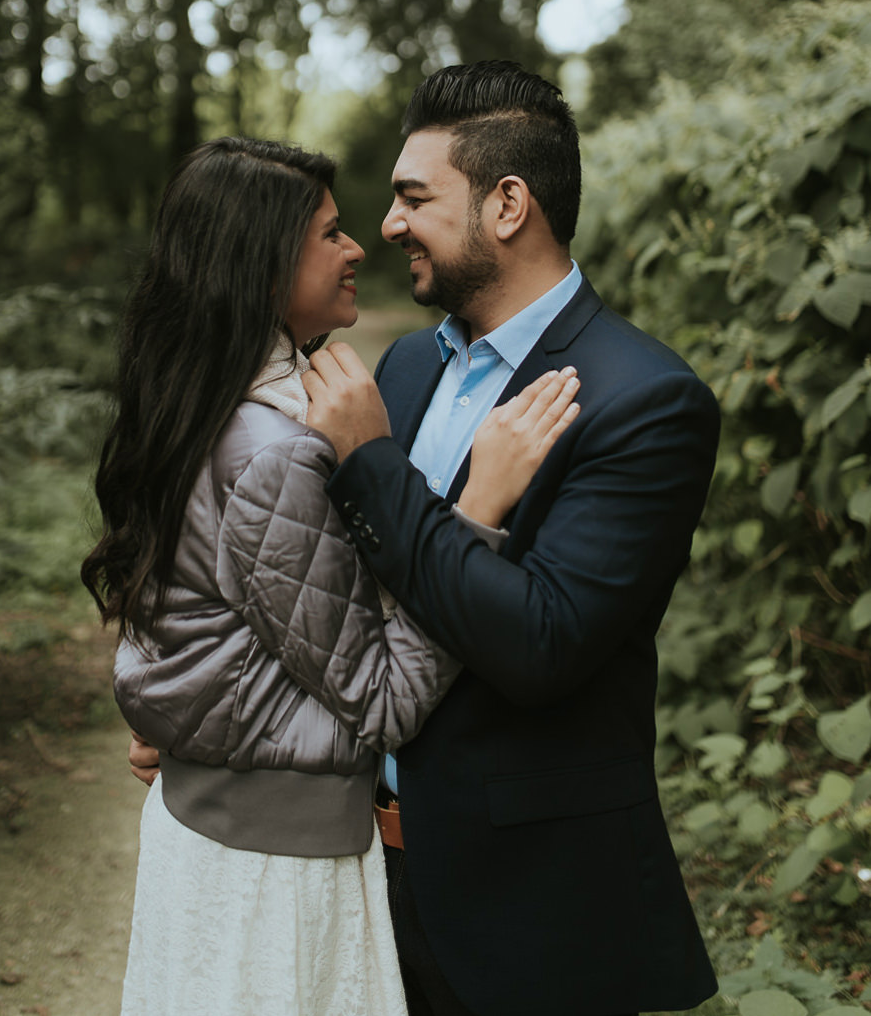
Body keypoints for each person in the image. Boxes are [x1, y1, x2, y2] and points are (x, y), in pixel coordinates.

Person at [84, 136, 579, 1016]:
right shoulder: (275, 449)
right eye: (329, 233)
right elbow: (383, 700)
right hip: (279, 872)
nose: (359, 248)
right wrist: (479, 510)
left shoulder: (195, 403)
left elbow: (205, 615)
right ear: (261, 265)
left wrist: (184, 718)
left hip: (209, 838)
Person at [301, 61, 720, 1016]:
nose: (390, 222)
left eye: (414, 196)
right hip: (361, 874)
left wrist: (374, 468)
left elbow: (541, 644)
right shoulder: (405, 367)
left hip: (530, 913)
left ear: (508, 205)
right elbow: (336, 597)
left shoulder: (644, 400)